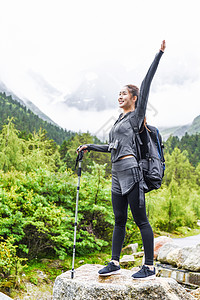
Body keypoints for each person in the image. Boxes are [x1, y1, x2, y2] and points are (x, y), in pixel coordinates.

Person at [77, 40, 166, 280]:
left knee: (141, 220)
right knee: (119, 220)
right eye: (118, 93)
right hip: (116, 174)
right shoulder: (118, 121)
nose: (120, 96)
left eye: (124, 93)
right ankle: (115, 262)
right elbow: (111, 147)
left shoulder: (137, 117)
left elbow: (146, 84)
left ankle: (149, 266)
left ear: (134, 98)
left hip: (132, 172)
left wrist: (159, 54)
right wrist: (89, 146)